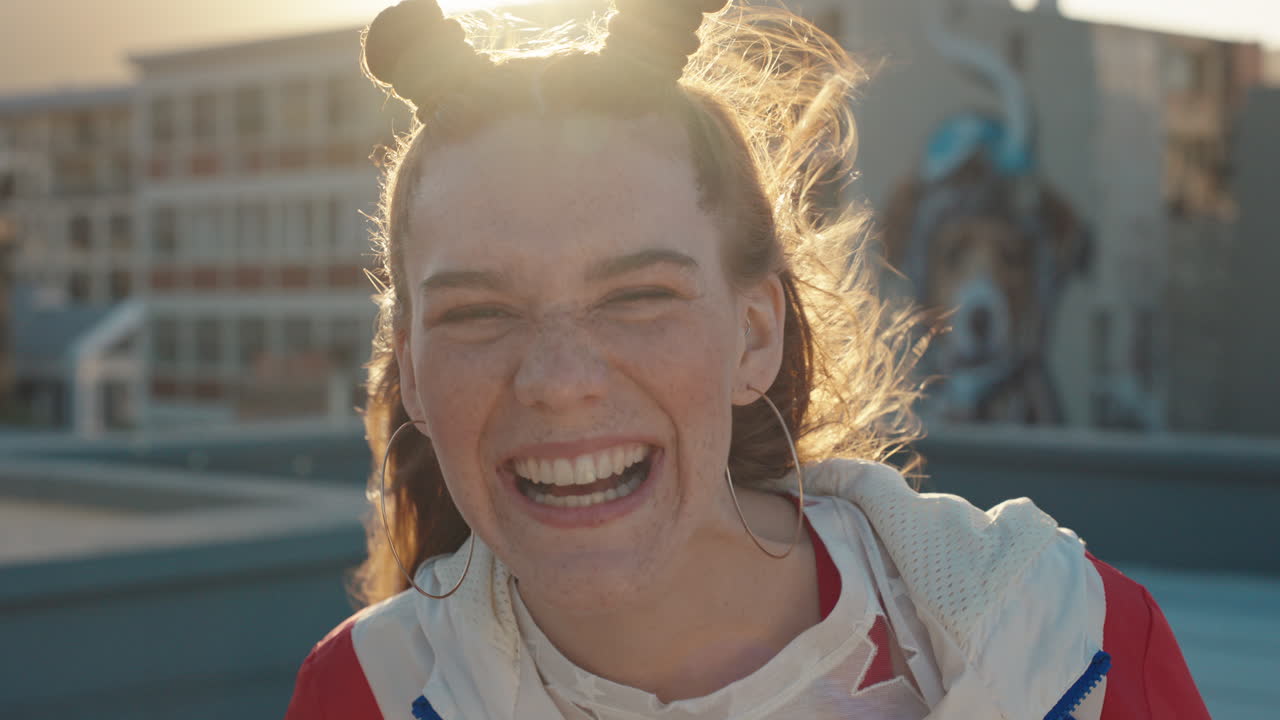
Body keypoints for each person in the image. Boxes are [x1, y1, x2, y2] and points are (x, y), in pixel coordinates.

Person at [285, 1, 1210, 718]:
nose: (559, 381)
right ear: (409, 366)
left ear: (754, 335)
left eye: (638, 296)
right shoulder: (359, 695)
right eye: (481, 313)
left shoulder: (1070, 644)